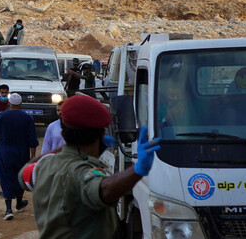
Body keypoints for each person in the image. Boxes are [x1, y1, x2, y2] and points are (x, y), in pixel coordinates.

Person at [21, 95, 160, 238]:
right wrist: (137, 170)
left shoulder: (45, 165)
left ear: (63, 134)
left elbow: (25, 173)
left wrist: (65, 146)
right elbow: (103, 189)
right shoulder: (80, 171)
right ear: (101, 135)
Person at [0, 92, 38, 220]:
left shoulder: (1, 116)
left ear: (9, 104)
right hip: (22, 153)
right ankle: (19, 202)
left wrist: (2, 145)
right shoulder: (27, 118)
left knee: (6, 178)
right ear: (21, 105)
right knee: (20, 177)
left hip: (5, 152)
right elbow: (32, 140)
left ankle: (8, 209)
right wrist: (33, 156)